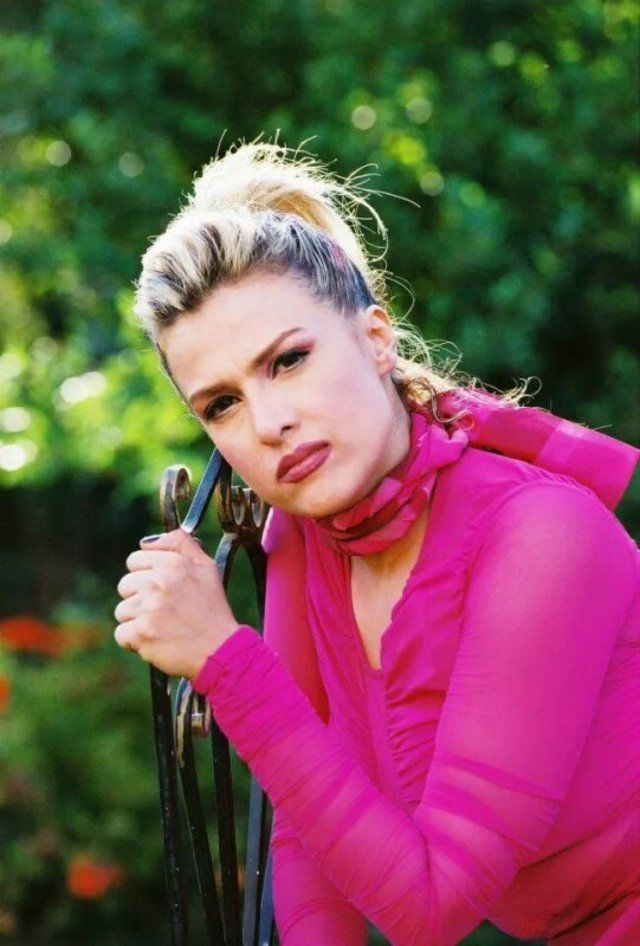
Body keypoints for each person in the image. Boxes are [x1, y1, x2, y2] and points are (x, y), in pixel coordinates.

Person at [114, 141, 640, 945]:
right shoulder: (305, 540)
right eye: (221, 404)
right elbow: (307, 844)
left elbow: (432, 906)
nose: (268, 423)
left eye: (289, 360)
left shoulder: (543, 537)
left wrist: (226, 660)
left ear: (376, 338)